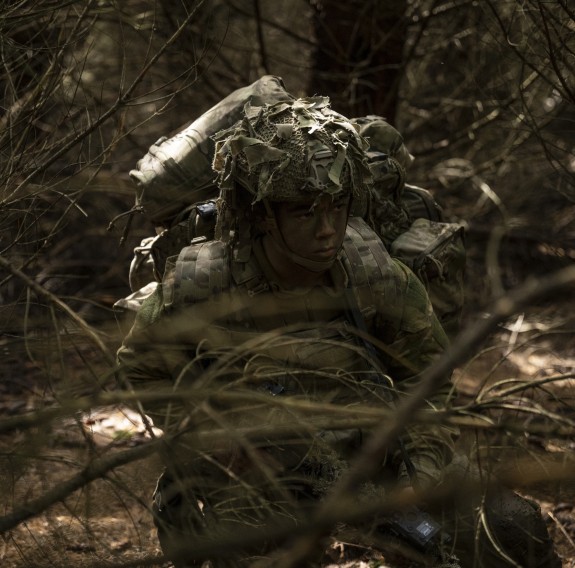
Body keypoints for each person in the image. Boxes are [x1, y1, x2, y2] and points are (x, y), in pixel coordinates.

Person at [116, 98, 561, 567]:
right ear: (266, 215)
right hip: (257, 473)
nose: (327, 229)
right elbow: (142, 367)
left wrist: (418, 470)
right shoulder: (204, 281)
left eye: (337, 208)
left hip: (372, 457)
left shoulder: (371, 270)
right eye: (305, 213)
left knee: (511, 528)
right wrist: (218, 443)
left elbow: (426, 380)